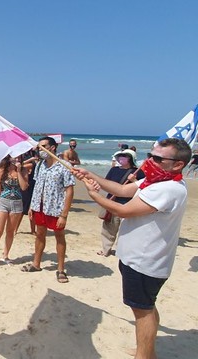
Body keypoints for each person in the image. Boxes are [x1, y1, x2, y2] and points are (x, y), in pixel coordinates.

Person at [74, 138, 190, 359]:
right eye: (150, 155)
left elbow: (123, 210)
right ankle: (146, 351)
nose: (150, 161)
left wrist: (94, 195)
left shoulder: (168, 188)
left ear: (177, 165)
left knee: (142, 311)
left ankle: (144, 356)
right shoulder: (155, 181)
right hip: (134, 257)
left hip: (145, 262)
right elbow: (121, 189)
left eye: (157, 158)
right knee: (146, 307)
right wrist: (90, 175)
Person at [21, 136, 75, 284]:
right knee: (39, 234)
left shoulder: (64, 165)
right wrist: (32, 206)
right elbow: (37, 187)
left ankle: (61, 269)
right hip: (40, 207)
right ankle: (36, 264)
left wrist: (64, 214)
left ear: (52, 147)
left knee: (59, 236)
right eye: (39, 147)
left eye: (43, 146)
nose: (40, 149)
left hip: (56, 208)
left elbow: (69, 191)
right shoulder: (40, 165)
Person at [97, 149, 144, 257]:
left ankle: (121, 250)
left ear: (130, 158)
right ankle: (106, 250)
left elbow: (143, 188)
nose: (121, 158)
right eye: (120, 156)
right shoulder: (114, 170)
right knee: (109, 228)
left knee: (126, 229)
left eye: (124, 156)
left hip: (128, 204)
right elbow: (106, 182)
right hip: (112, 202)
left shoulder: (138, 172)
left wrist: (134, 181)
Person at [0, 155, 29, 268]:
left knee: (10, 231)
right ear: (9, 157)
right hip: (3, 203)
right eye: (15, 157)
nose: (17, 159)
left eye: (20, 157)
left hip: (17, 204)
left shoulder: (23, 170)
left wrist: (18, 171)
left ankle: (6, 255)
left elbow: (24, 187)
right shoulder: (2, 170)